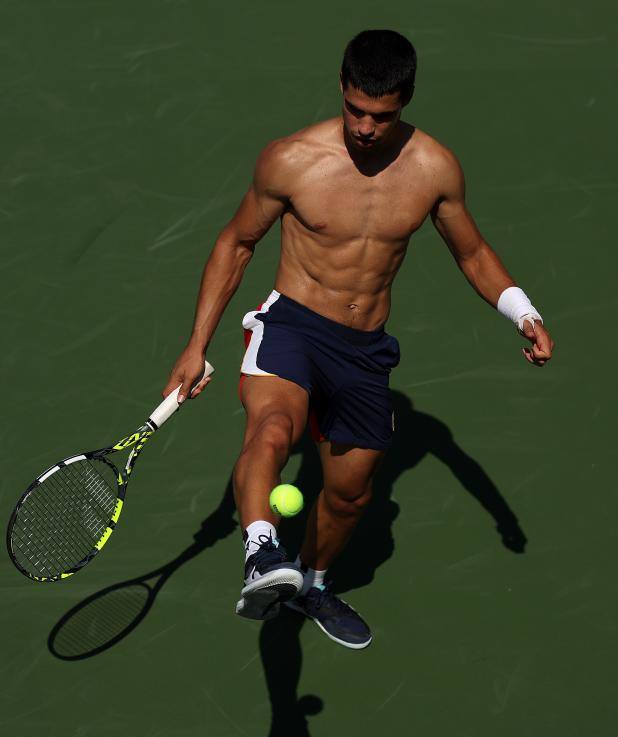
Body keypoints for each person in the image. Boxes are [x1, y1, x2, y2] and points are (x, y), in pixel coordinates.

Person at [162, 29, 554, 650]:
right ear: (341, 88)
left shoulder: (434, 169)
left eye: (384, 116)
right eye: (357, 111)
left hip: (364, 350)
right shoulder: (292, 160)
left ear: (406, 102)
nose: (367, 128)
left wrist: (522, 312)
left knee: (350, 496)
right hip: (292, 323)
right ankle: (262, 554)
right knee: (272, 431)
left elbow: (472, 251)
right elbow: (236, 244)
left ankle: (309, 584)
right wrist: (195, 345)